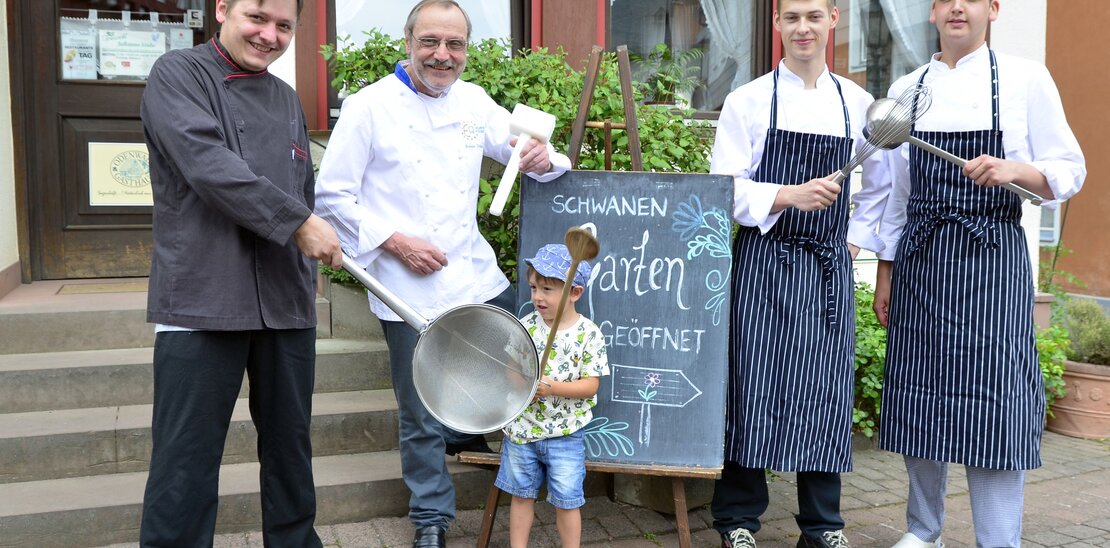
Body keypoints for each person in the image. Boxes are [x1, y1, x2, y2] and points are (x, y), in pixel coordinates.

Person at [313, 1, 572, 545]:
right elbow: (331, 196)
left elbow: (531, 153)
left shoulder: (474, 102)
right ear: (408, 40)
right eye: (430, 41)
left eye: (454, 45)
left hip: (475, 276)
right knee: (421, 408)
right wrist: (396, 241)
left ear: (466, 51)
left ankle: (506, 464)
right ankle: (431, 519)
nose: (442, 55)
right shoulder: (368, 107)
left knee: (516, 378)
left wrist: (544, 160)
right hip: (405, 286)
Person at [872, 1, 1086, 547]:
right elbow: (898, 194)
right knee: (919, 397)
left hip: (990, 262)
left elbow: (1069, 169)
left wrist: (1017, 169)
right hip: (921, 262)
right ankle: (923, 533)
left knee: (993, 403)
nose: (957, 8)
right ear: (932, 12)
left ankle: (998, 540)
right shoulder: (908, 88)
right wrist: (885, 272)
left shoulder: (1025, 79)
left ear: (993, 8)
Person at [138, 0, 343, 546]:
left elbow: (302, 190)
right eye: (257, 18)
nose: (269, 35)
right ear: (223, 9)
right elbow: (209, 165)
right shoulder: (177, 74)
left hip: (285, 300)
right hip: (203, 296)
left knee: (290, 455)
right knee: (185, 462)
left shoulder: (285, 97)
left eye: (283, 26)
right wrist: (299, 224)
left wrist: (307, 242)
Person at [708, 0, 891, 546]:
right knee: (752, 383)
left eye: (814, 15)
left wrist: (854, 241)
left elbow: (882, 186)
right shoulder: (747, 101)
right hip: (765, 258)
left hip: (827, 266)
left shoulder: (859, 106)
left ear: (833, 19)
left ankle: (822, 525)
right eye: (792, 17)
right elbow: (724, 188)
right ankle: (738, 519)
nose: (802, 27)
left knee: (825, 389)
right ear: (777, 25)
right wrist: (788, 195)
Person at [496, 243, 609, 548]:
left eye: (547, 289)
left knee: (567, 500)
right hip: (522, 431)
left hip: (565, 435)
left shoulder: (588, 334)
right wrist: (524, 385)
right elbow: (510, 369)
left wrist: (552, 388)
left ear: (575, 293)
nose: (537, 297)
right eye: (534, 287)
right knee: (520, 495)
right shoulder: (526, 327)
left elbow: (590, 385)